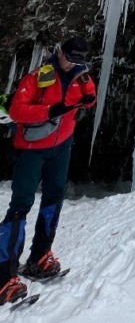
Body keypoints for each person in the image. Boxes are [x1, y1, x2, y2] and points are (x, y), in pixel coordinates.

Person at [0, 36, 96, 305]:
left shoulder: (81, 77)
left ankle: (40, 257)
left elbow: (89, 99)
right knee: (21, 205)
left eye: (80, 60)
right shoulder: (38, 77)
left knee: (54, 198)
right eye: (71, 58)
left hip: (60, 148)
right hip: (31, 150)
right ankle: (4, 276)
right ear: (60, 53)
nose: (74, 64)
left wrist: (86, 96)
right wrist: (51, 110)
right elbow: (18, 110)